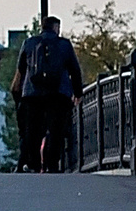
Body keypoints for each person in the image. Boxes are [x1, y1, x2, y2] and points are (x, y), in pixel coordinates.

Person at [15, 16, 86, 173]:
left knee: (32, 131)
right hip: (58, 95)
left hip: (32, 94)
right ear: (56, 28)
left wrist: (20, 93)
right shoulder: (64, 45)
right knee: (56, 130)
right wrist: (78, 92)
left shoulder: (29, 43)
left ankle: (33, 164)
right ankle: (52, 164)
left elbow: (21, 68)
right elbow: (74, 70)